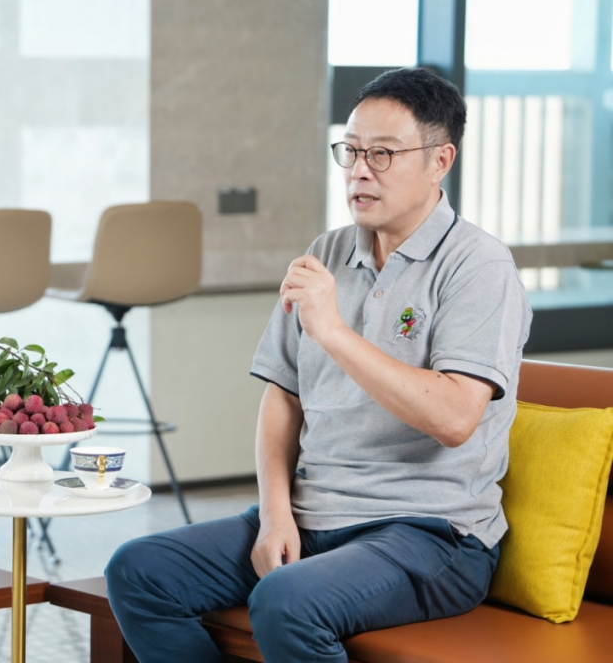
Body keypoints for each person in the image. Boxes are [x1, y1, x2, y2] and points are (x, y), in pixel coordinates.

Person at [105, 67, 532, 663]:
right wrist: (275, 515)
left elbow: (456, 418)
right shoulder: (326, 252)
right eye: (351, 151)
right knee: (138, 570)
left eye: (383, 154)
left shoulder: (479, 265)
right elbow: (283, 395)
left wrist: (332, 330)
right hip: (315, 513)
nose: (360, 170)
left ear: (441, 160)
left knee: (287, 602)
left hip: (433, 534)